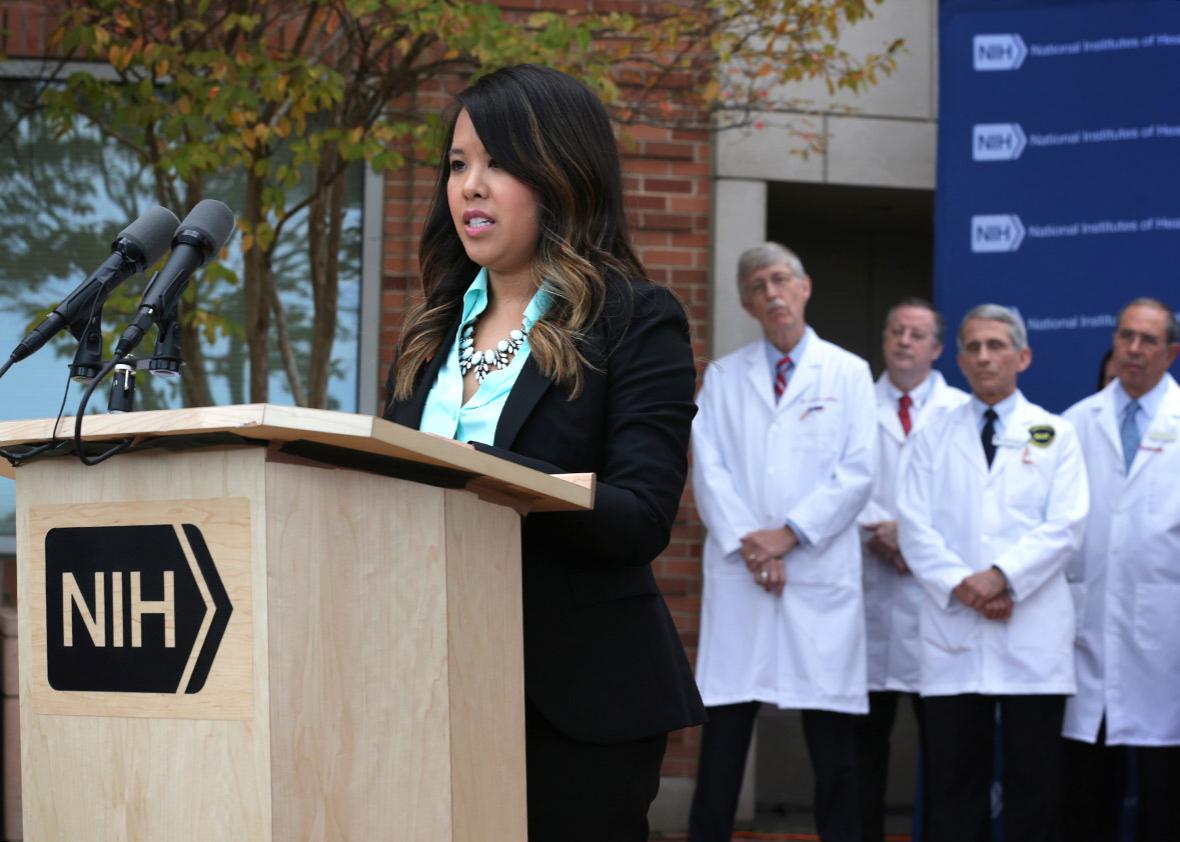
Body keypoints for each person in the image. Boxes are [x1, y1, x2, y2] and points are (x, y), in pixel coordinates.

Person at [382, 65, 705, 841]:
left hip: (572, 701)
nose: (471, 187)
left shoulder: (635, 318)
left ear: (561, 171)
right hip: (422, 682)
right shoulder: (429, 334)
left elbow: (640, 517)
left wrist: (492, 476)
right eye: (458, 165)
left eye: (499, 163)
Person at [689, 242, 876, 842]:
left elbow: (858, 471)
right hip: (744, 573)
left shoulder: (847, 374)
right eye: (758, 286)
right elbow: (708, 467)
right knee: (723, 738)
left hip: (815, 574)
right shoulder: (721, 377)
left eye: (781, 280)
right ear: (746, 302)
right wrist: (751, 543)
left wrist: (788, 536)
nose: (772, 293)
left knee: (833, 748)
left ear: (804, 287)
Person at [896, 304, 1089, 842]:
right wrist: (969, 585)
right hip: (955, 630)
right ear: (958, 358)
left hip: (1031, 634)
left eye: (996, 346)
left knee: (1034, 790)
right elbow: (914, 527)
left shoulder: (1055, 433)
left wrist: (1001, 576)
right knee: (954, 789)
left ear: (1022, 356)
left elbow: (1066, 526)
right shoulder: (931, 437)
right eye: (973, 347)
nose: (984, 357)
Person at [1061, 297, 1180, 842]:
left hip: (1168, 645)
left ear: (1171, 352)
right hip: (1088, 641)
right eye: (1125, 336)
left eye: (1148, 340)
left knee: (1166, 800)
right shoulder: (1072, 425)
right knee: (1087, 800)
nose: (1133, 349)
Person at [855, 299, 967, 841]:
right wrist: (880, 528)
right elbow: (829, 477)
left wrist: (912, 538)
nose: (904, 341)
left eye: (917, 334)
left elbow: (973, 500)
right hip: (868, 592)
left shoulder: (962, 410)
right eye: (896, 330)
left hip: (935, 604)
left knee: (946, 757)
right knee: (862, 758)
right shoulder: (853, 403)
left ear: (937, 348)